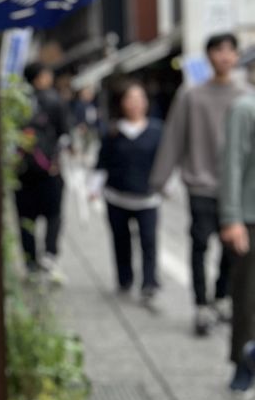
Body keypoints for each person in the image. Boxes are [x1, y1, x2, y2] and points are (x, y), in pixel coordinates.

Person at [151, 32, 245, 335]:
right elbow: (174, 137)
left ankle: (221, 297)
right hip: (200, 184)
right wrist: (160, 179)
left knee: (234, 247)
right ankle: (201, 304)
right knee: (200, 244)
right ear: (208, 56)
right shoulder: (191, 96)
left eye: (231, 50)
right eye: (219, 50)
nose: (225, 56)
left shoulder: (246, 95)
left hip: (237, 188)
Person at [95, 83, 164, 307]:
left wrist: (166, 184)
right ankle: (125, 279)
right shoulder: (113, 132)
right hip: (117, 196)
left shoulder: (157, 131)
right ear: (122, 103)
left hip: (148, 197)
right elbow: (102, 162)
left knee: (149, 241)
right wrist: (93, 187)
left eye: (139, 98)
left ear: (146, 102)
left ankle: (149, 283)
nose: (135, 103)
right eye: (130, 98)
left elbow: (165, 162)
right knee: (121, 241)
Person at [15, 63, 69, 280]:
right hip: (49, 170)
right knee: (53, 214)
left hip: (23, 170)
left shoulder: (17, 100)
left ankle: (30, 262)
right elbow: (64, 134)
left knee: (25, 216)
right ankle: (49, 254)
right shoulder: (54, 100)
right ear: (39, 78)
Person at [219, 89, 255, 393]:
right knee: (247, 298)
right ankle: (243, 364)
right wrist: (231, 217)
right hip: (250, 216)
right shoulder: (245, 107)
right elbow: (232, 163)